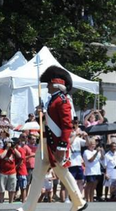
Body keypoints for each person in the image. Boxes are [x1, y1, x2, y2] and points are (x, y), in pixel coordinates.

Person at [17, 65, 87, 211]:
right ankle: (29, 207)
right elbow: (46, 124)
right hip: (46, 143)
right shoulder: (52, 100)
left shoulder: (62, 101)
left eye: (49, 83)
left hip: (55, 144)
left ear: (55, 85)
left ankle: (79, 201)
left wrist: (61, 146)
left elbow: (67, 126)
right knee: (38, 174)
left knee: (62, 173)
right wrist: (40, 114)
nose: (47, 86)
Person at [0, 138, 21, 203]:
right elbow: (1, 156)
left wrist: (14, 148)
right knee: (1, 189)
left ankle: (11, 202)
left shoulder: (13, 150)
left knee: (12, 189)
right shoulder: (2, 150)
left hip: (12, 172)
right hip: (3, 172)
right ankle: (1, 202)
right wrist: (7, 148)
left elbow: (19, 156)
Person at [82, 138, 102, 202]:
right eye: (91, 144)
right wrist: (97, 153)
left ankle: (91, 199)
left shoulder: (96, 151)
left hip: (97, 171)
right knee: (89, 186)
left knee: (94, 186)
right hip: (90, 171)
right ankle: (87, 199)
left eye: (94, 144)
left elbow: (102, 159)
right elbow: (90, 160)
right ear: (88, 145)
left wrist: (101, 151)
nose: (93, 145)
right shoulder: (86, 152)